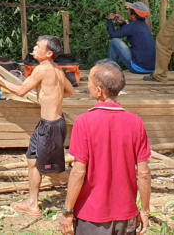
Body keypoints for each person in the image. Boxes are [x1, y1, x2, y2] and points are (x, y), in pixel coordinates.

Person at [59, 60, 151, 235]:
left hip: (91, 216)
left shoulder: (84, 122)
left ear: (99, 90)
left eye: (89, 81)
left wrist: (68, 211)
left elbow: (78, 171)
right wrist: (145, 211)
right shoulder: (135, 122)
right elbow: (144, 173)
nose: (87, 86)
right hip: (126, 215)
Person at [0, 35, 75, 216]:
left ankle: (85, 181)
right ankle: (32, 204)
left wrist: (0, 81)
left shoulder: (42, 70)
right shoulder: (57, 70)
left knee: (51, 171)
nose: (34, 49)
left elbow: (21, 91)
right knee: (32, 161)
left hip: (50, 127)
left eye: (38, 46)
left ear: (49, 53)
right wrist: (51, 97)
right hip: (47, 124)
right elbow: (70, 91)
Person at [106, 1, 155, 74]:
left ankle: (109, 72)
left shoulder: (132, 27)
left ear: (133, 16)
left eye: (129, 12)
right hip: (152, 69)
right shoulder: (145, 26)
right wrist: (122, 23)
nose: (128, 14)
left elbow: (112, 35)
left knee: (114, 42)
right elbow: (129, 30)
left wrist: (109, 20)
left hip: (139, 69)